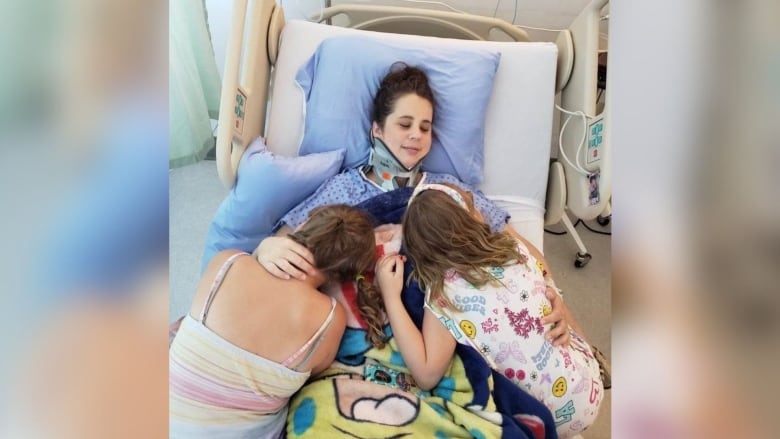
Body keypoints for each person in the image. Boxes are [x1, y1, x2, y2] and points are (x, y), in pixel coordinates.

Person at [253, 62, 576, 346]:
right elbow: (287, 240)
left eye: (425, 127)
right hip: (362, 327)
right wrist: (267, 248)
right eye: (404, 124)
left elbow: (516, 247)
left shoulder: (450, 189)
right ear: (377, 129)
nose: (416, 135)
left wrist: (551, 294)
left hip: (451, 330)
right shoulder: (344, 187)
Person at [375, 183, 604, 438]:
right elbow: (546, 281)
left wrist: (390, 296)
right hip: (589, 386)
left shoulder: (444, 297)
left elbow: (426, 374)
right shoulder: (514, 250)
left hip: (542, 420)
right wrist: (556, 301)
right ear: (473, 219)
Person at [169, 205, 376, 438]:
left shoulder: (228, 262)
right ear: (344, 277)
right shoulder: (329, 319)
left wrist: (261, 249)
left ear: (302, 227)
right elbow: (317, 371)